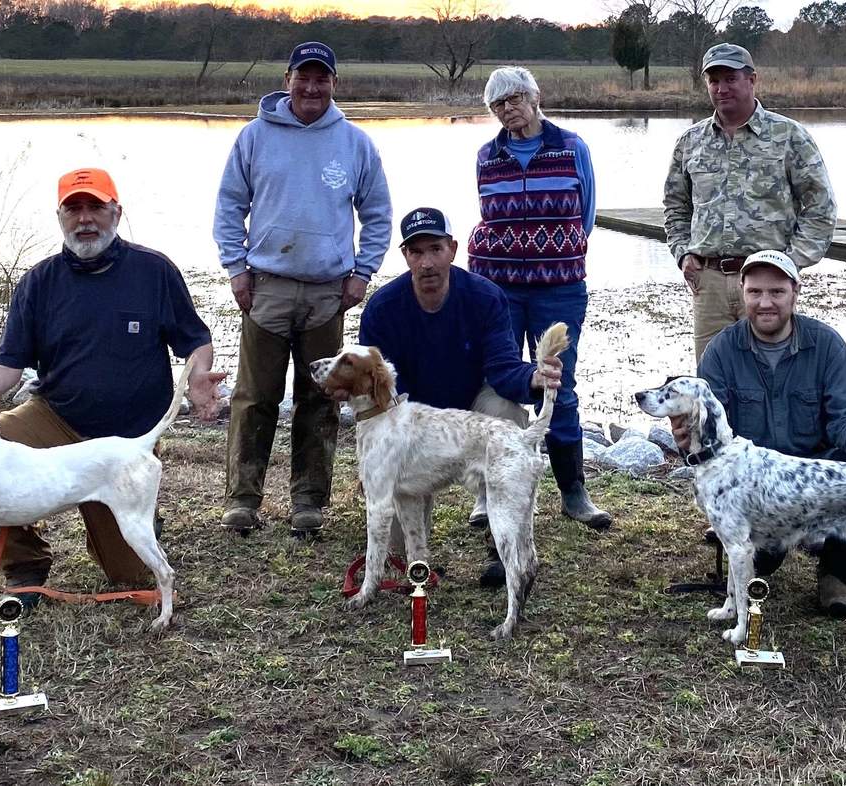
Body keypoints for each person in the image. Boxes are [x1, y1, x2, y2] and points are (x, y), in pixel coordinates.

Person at [0, 166, 224, 597]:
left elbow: (195, 340)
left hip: (125, 440)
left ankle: (134, 517)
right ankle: (26, 565)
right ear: (60, 217)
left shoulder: (154, 271)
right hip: (54, 418)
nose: (85, 219)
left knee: (129, 575)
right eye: (73, 208)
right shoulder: (38, 282)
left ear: (117, 212)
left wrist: (198, 378)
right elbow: (7, 366)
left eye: (95, 206)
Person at [213, 41, 392, 537]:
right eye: (303, 77)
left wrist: (362, 273)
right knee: (254, 396)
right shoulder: (254, 137)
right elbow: (230, 206)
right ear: (287, 78)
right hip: (265, 287)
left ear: (335, 83)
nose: (312, 88)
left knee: (320, 397)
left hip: (326, 294)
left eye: (322, 79)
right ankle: (243, 499)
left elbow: (377, 213)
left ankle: (308, 501)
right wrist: (235, 268)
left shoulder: (355, 143)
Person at [672, 249, 846, 617]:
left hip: (814, 475)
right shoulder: (721, 350)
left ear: (795, 292)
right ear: (742, 291)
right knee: (758, 564)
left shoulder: (827, 345)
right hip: (758, 485)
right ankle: (758, 565)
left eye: (777, 292)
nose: (765, 302)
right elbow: (711, 432)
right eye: (755, 293)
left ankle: (837, 574)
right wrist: (686, 434)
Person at [358, 207, 561, 583]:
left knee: (507, 412)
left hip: (472, 404)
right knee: (400, 550)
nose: (427, 263)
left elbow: (502, 367)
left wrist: (534, 377)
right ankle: (413, 557)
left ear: (453, 249)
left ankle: (502, 539)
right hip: (413, 422)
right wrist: (378, 462)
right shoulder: (382, 309)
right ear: (405, 256)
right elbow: (378, 394)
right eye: (416, 252)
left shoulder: (486, 297)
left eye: (435, 249)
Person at [467, 65, 611, 530]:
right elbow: (488, 215)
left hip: (560, 289)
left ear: (534, 97)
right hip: (499, 291)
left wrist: (552, 256)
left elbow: (585, 215)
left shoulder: (571, 147)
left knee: (556, 383)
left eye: (514, 99)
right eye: (497, 104)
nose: (508, 110)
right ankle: (490, 494)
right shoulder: (487, 156)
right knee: (498, 386)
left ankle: (573, 491)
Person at [663, 43, 837, 363]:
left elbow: (820, 208)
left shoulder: (789, 136)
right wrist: (682, 253)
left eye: (730, 78)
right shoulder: (690, 142)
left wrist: (790, 264)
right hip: (709, 284)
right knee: (713, 384)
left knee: (772, 377)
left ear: (752, 79)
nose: (721, 88)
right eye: (714, 81)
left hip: (767, 283)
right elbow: (675, 206)